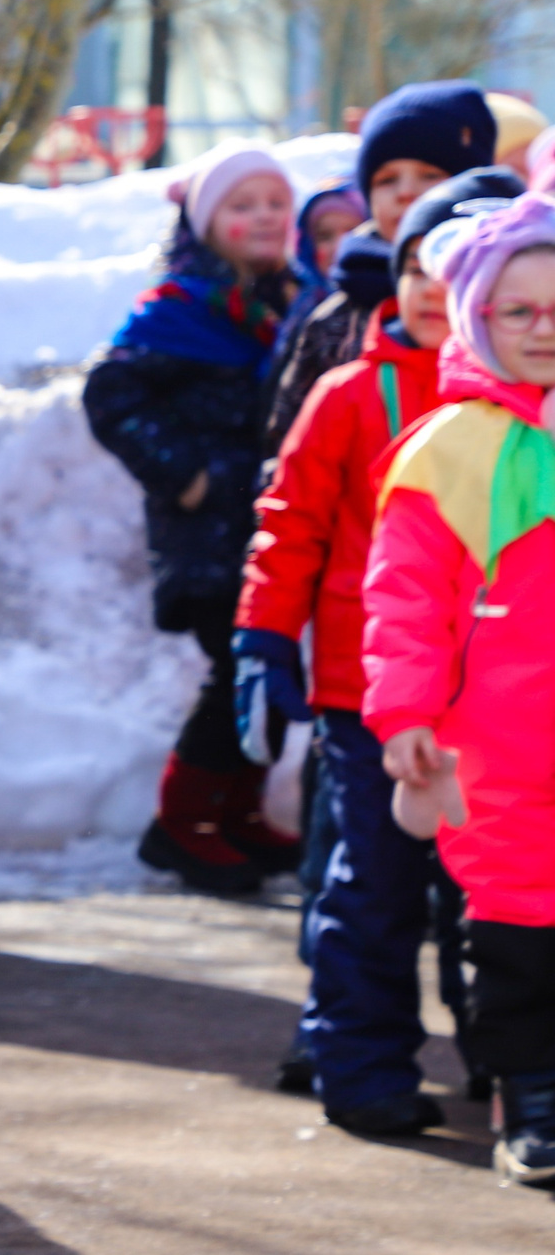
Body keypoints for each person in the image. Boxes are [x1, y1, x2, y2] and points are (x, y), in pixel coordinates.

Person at [237, 170, 516, 1133]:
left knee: (486, 894)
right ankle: (358, 1063)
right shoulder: (349, 394)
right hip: (369, 693)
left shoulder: (525, 415)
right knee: (377, 886)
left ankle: (502, 1058)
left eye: (457, 268)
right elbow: (290, 526)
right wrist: (263, 638)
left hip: (499, 708)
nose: (435, 288)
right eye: (416, 265)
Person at [362, 182, 555, 1185]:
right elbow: (403, 599)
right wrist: (403, 712)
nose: (540, 331)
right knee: (516, 933)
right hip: (500, 748)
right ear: (477, 317)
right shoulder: (448, 453)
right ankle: (530, 1098)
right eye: (517, 312)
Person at [85, 144, 300, 895]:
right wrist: (189, 477)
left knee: (269, 670)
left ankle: (234, 809)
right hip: (210, 533)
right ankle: (181, 822)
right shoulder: (177, 310)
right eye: (244, 205)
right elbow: (111, 396)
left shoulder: (287, 302)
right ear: (207, 223)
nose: (265, 217)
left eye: (276, 203)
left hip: (271, 523)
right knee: (237, 670)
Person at [263, 82, 493, 457]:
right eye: (387, 179)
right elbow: (285, 437)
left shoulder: (504, 301)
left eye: (429, 175)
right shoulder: (337, 314)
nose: (405, 192)